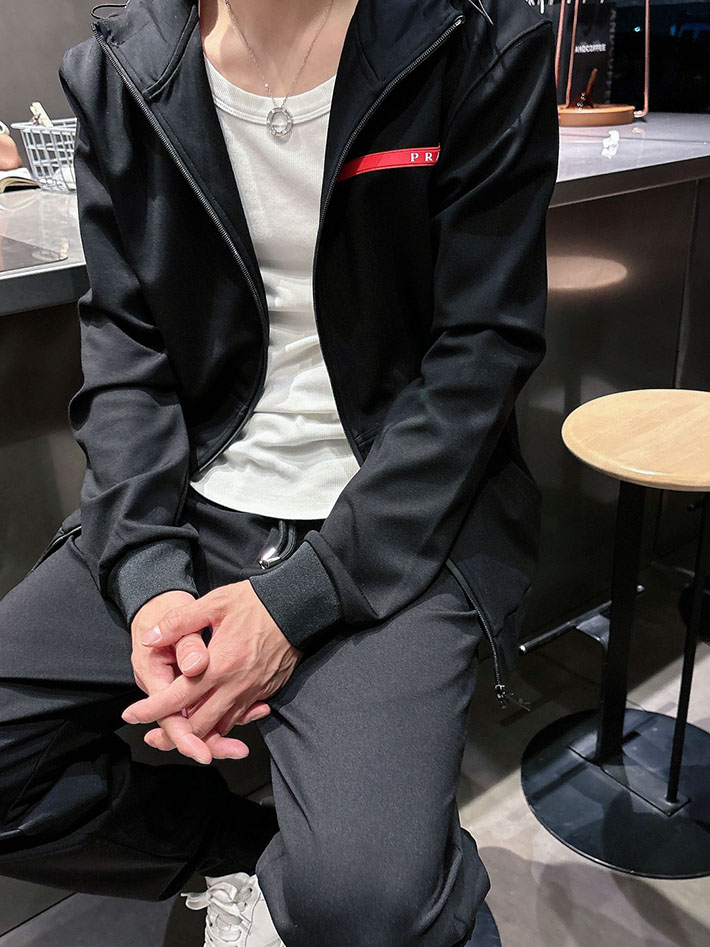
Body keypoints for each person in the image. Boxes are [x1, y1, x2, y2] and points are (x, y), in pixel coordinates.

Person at [0, 0, 559, 944]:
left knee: (366, 902)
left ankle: (386, 872)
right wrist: (147, 579)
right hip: (190, 502)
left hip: (388, 514)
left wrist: (300, 600)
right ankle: (256, 860)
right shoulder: (120, 71)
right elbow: (128, 350)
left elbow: (481, 354)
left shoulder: (475, 39)